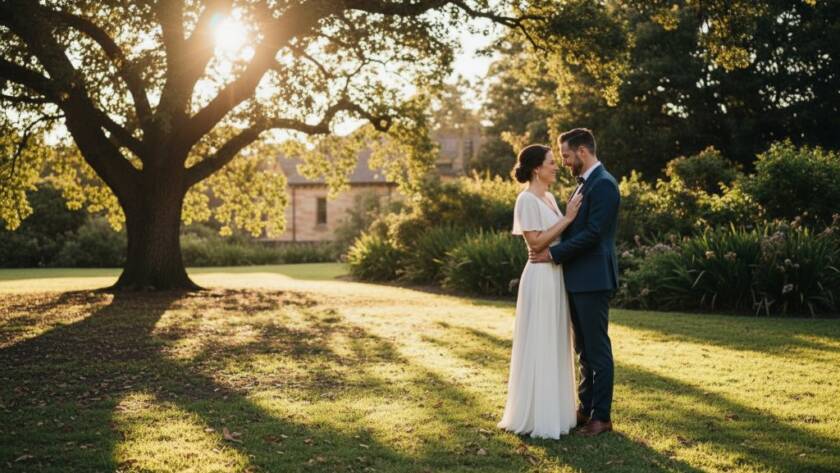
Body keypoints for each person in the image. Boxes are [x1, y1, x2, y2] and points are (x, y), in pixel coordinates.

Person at [529, 128, 621, 437]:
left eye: (566, 156)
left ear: (582, 152)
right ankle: (585, 407)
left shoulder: (604, 185)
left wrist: (552, 254)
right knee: (583, 349)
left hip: (593, 279)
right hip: (578, 279)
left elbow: (593, 234)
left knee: (597, 350)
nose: (564, 162)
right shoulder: (585, 184)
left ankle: (602, 416)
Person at [497, 144, 583, 439]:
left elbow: (555, 238)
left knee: (556, 339)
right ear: (536, 168)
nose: (556, 166)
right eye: (550, 162)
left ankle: (557, 412)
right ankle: (536, 415)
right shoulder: (526, 200)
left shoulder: (547, 197)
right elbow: (535, 243)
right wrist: (568, 218)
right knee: (540, 339)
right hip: (540, 276)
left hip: (555, 275)